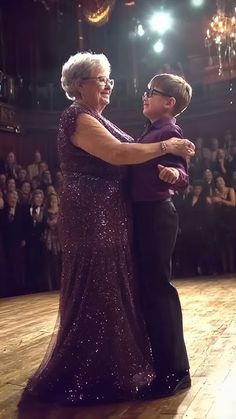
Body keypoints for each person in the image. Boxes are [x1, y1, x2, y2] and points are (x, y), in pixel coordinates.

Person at [19, 52, 194, 407]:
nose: (109, 85)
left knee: (122, 286)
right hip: (92, 212)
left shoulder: (98, 117)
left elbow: (159, 162)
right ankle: (98, 368)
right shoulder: (76, 116)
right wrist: (167, 147)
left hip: (117, 212)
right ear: (80, 83)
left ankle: (141, 367)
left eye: (109, 79)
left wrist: (175, 167)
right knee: (100, 284)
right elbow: (117, 154)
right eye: (102, 79)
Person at [131, 73, 192, 398]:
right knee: (152, 292)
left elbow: (183, 175)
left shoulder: (169, 130)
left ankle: (175, 372)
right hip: (147, 216)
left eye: (150, 92)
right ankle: (167, 368)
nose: (144, 96)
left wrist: (174, 174)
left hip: (156, 216)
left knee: (158, 292)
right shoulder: (153, 131)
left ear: (169, 103)